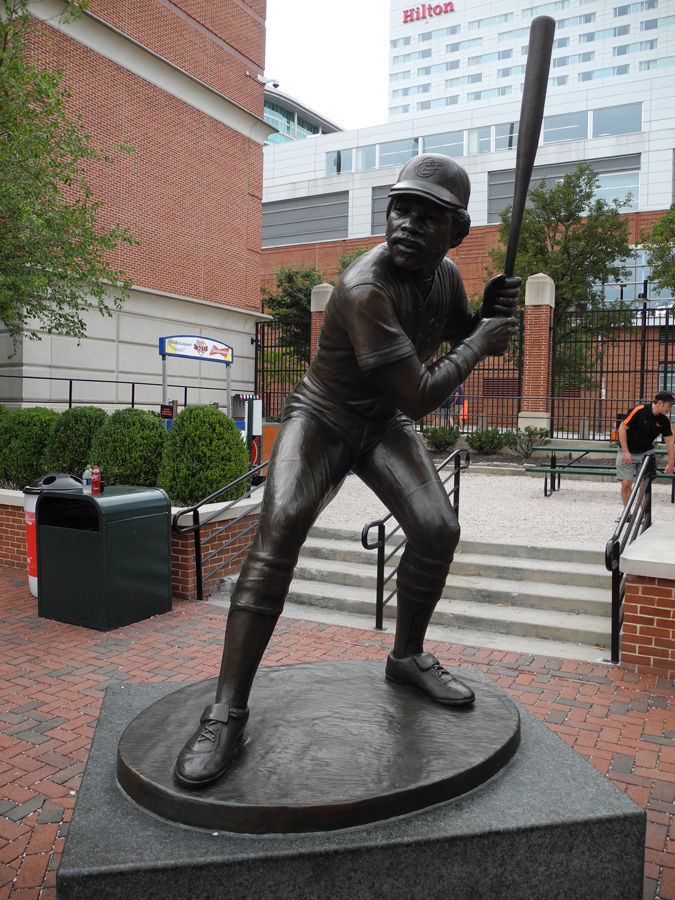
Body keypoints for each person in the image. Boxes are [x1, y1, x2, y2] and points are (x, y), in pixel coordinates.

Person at [175, 154, 520, 789]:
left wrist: (481, 316)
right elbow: (420, 393)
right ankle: (225, 711)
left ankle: (407, 656)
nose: (409, 224)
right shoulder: (367, 287)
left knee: (438, 528)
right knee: (279, 529)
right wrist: (479, 344)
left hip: (381, 424)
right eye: (402, 209)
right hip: (324, 417)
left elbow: (450, 332)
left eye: (429, 216)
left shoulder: (444, 278)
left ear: (456, 232)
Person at [617, 390, 675, 514]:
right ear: (660, 403)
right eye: (669, 405)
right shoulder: (639, 410)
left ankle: (644, 516)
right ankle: (627, 513)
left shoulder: (664, 420)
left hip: (646, 453)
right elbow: (622, 428)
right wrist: (626, 451)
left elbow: (670, 441)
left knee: (644, 484)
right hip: (628, 450)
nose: (670, 409)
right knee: (626, 483)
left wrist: (671, 463)